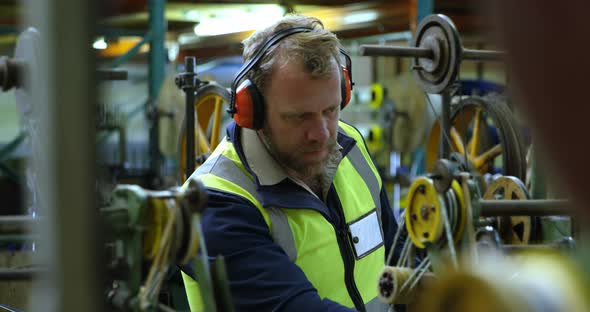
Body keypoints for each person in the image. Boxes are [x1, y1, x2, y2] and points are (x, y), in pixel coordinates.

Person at [181, 14, 398, 311]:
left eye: (331, 110)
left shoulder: (351, 144)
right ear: (251, 111)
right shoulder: (212, 204)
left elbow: (398, 254)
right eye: (299, 117)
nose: (321, 134)